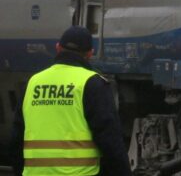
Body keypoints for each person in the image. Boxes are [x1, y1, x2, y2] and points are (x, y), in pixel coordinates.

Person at [9, 26, 131, 176]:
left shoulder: (33, 83)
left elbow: (16, 139)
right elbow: (111, 141)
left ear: (57, 48)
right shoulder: (92, 83)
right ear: (90, 54)